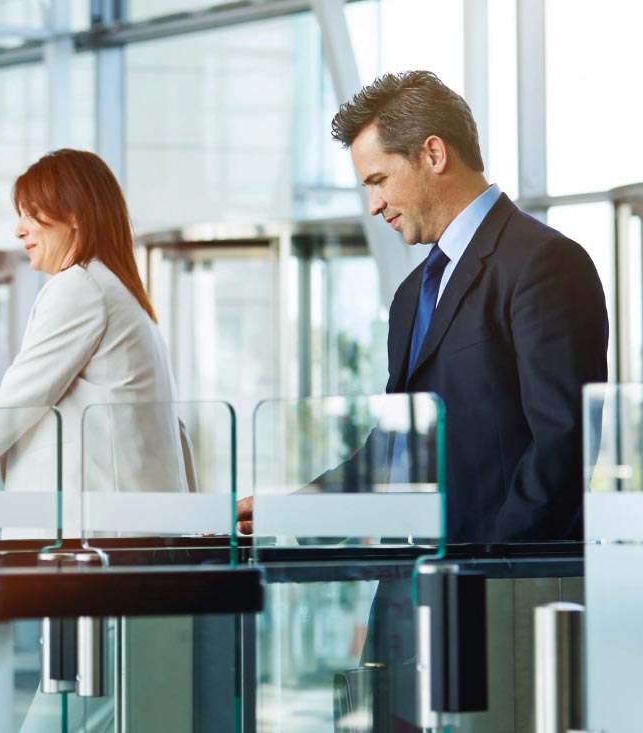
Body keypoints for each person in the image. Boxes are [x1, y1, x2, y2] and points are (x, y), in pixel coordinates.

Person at [238, 71, 608, 543]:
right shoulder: (413, 292)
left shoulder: (545, 263)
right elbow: (393, 448)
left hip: (492, 594)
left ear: (433, 154)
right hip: (407, 590)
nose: (374, 205)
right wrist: (297, 514)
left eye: (379, 180)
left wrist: (491, 577)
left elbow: (563, 448)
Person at [0, 149, 187, 536]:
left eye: (32, 213)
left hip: (89, 538)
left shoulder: (82, 288)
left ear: (75, 215)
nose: (19, 229)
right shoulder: (116, 290)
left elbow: (12, 406)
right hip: (120, 531)